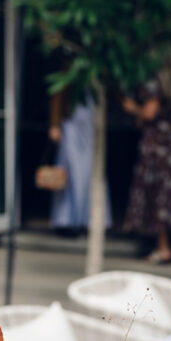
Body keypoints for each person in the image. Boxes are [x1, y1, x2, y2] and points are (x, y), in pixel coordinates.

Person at [122, 49, 171, 264]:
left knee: (159, 196)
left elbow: (150, 112)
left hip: (157, 146)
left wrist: (133, 108)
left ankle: (163, 249)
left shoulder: (155, 84)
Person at [48, 88, 111, 233]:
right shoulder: (69, 73)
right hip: (72, 124)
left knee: (90, 172)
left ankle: (88, 219)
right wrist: (54, 124)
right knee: (70, 171)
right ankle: (67, 219)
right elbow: (57, 94)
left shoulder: (98, 75)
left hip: (91, 126)